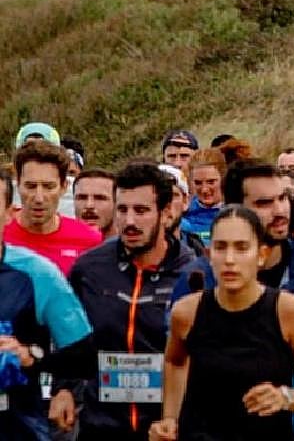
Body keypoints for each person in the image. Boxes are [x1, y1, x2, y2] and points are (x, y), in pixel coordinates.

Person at [150, 206, 294, 441]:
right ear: (208, 254)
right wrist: (169, 419)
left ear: (261, 255)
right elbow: (175, 362)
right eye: (221, 247)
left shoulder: (288, 310)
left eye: (241, 248)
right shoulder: (187, 312)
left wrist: (285, 397)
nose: (229, 260)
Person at [62, 162, 200, 441]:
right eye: (122, 210)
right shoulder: (89, 269)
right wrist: (64, 389)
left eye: (141, 211)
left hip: (169, 428)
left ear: (166, 213)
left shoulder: (194, 274)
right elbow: (71, 338)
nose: (130, 222)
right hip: (100, 426)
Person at [0, 164, 94, 441]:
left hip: (16, 425)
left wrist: (31, 355)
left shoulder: (37, 272)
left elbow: (81, 354)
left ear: (8, 215)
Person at [7, 139, 102, 275]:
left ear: (64, 187)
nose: (39, 198)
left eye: (48, 187)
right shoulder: (2, 234)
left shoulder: (90, 242)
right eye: (31, 186)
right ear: (18, 184)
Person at [180, 148, 225, 246]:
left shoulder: (238, 213)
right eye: (198, 183)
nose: (204, 189)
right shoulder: (182, 216)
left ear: (223, 179)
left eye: (211, 182)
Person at [73, 169, 117, 239]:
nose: (89, 205)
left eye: (100, 198)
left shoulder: (132, 247)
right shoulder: (60, 246)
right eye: (82, 198)